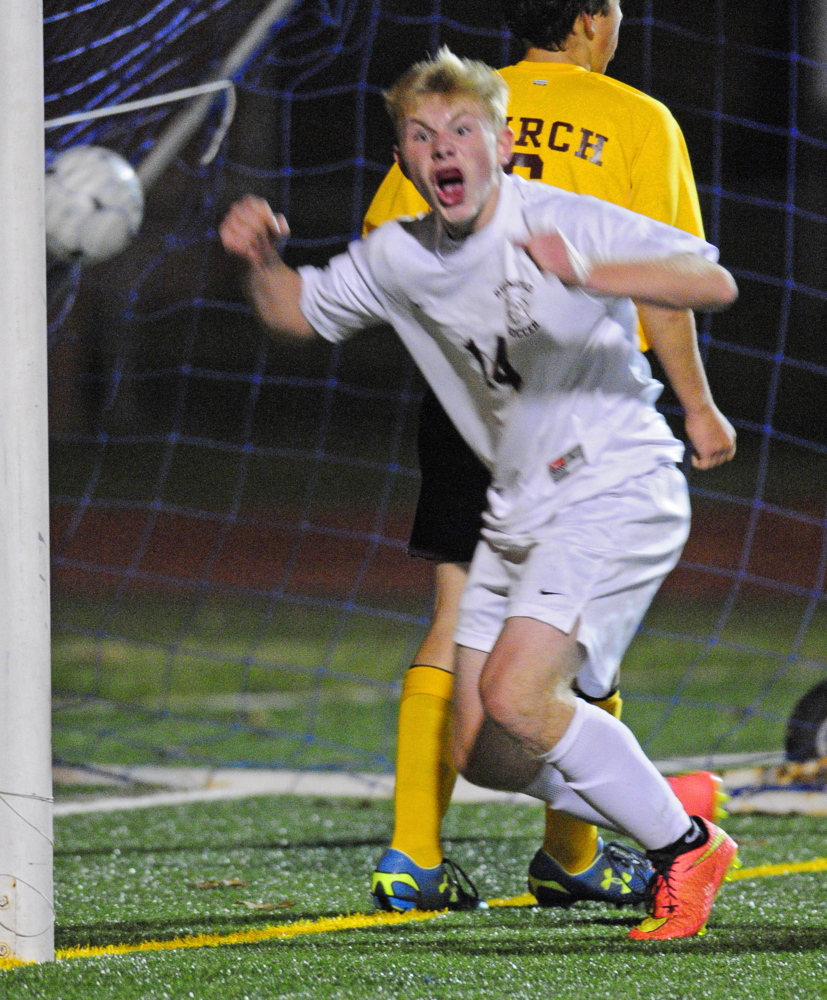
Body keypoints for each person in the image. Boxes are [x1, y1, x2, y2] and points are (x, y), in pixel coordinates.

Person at [220, 47, 738, 940]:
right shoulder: (398, 253)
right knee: (486, 754)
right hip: (515, 507)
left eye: (461, 129)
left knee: (517, 697)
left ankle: (685, 847)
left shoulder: (564, 220)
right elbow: (295, 312)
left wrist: (586, 272)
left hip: (613, 481)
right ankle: (648, 797)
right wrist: (261, 258)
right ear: (406, 159)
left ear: (499, 142)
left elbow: (710, 280)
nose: (442, 147)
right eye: (421, 135)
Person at [360, 0, 735, 914]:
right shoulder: (638, 119)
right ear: (589, 21)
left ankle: (413, 853)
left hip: (469, 400)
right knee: (576, 653)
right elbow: (667, 288)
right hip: (582, 413)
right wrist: (697, 407)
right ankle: (578, 853)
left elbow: (383, 244)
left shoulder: (457, 109)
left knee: (458, 618)